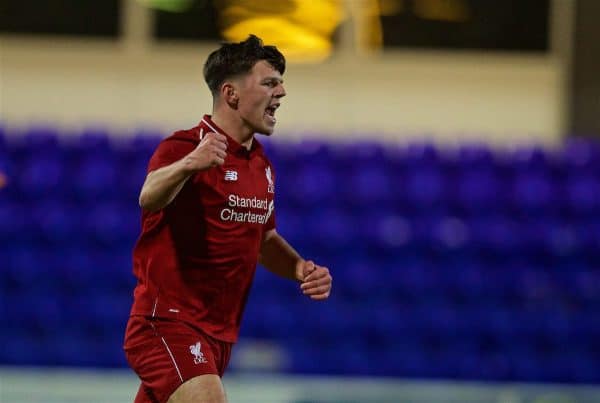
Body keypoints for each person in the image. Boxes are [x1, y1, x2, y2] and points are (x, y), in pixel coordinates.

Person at [123, 35, 333, 403]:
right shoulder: (184, 147)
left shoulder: (261, 164)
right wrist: (190, 164)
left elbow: (263, 238)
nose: (281, 92)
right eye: (269, 82)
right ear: (231, 94)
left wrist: (299, 267)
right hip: (167, 323)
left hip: (218, 334)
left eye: (281, 82)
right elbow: (148, 196)